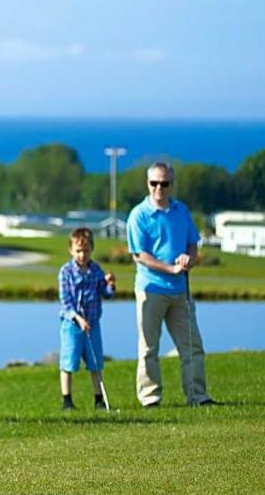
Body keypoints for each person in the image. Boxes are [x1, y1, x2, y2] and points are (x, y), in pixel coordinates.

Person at [126, 162, 217, 407]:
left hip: (180, 291)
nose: (159, 188)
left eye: (164, 183)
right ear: (147, 184)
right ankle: (150, 398)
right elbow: (139, 255)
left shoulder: (181, 211)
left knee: (192, 347)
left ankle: (198, 396)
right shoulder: (139, 215)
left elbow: (192, 244)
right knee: (148, 348)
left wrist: (189, 258)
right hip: (151, 289)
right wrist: (170, 268)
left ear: (171, 185)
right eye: (154, 183)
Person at [57, 227, 116, 411]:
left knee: (95, 363)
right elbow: (66, 303)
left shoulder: (96, 270)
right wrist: (78, 319)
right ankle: (67, 401)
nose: (82, 255)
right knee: (69, 362)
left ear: (91, 250)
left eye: (86, 251)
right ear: (71, 250)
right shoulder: (66, 272)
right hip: (72, 325)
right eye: (78, 251)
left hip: (93, 325)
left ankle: (99, 400)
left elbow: (105, 294)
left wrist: (110, 285)